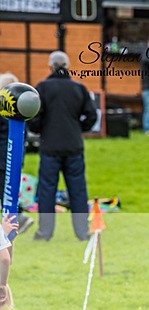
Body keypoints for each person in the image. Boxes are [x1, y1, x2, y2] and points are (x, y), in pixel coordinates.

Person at [27, 51, 96, 241]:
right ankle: (83, 232)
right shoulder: (78, 88)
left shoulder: (42, 88)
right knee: (78, 190)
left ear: (50, 67)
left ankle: (45, 232)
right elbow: (92, 116)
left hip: (50, 146)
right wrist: (78, 128)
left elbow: (33, 117)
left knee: (47, 190)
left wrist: (42, 129)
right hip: (74, 145)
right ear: (67, 66)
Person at [0, 71, 34, 235]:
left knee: (5, 193)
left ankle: (18, 219)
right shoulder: (20, 112)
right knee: (8, 193)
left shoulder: (4, 112)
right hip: (14, 157)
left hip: (3, 158)